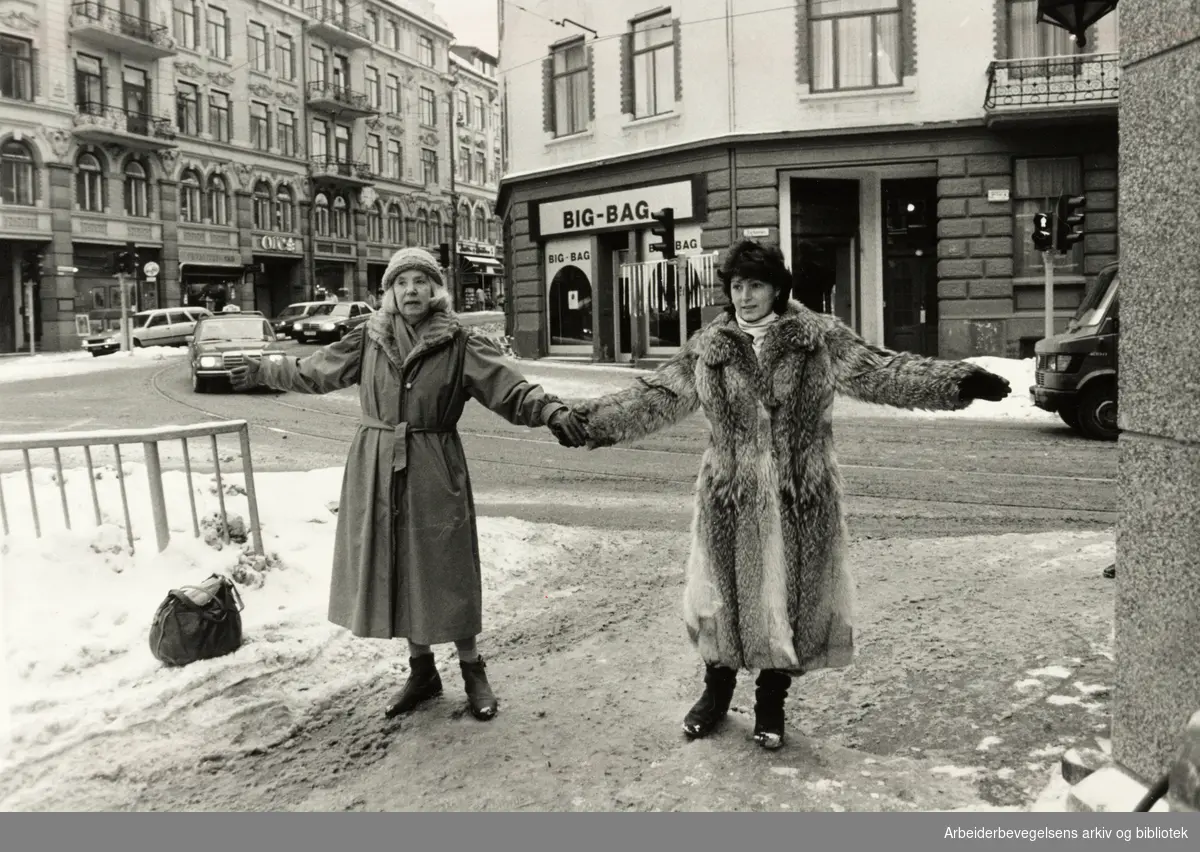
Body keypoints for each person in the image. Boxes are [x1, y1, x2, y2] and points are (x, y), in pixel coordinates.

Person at [571, 240, 1011, 751]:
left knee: (792, 602)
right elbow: (659, 394)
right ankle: (715, 695)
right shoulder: (709, 346)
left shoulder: (819, 338)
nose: (744, 296)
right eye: (736, 286)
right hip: (730, 497)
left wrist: (957, 381)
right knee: (722, 598)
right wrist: (590, 424)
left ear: (778, 288)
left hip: (800, 495)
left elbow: (879, 371)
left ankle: (771, 702)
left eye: (755, 285)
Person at [229, 248, 589, 722]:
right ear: (390, 292)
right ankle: (421, 671)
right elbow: (311, 372)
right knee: (398, 567)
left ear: (436, 290)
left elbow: (509, 388)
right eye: (402, 282)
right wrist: (260, 369)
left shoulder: (460, 341)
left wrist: (549, 410)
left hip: (434, 464)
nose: (411, 290)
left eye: (421, 281)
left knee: (446, 567)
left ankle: (471, 668)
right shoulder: (369, 338)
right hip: (376, 465)